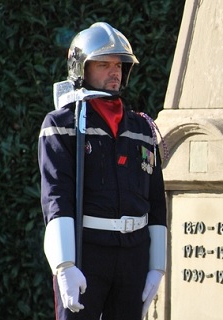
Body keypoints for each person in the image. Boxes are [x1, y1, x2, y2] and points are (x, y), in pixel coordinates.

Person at [39, 22, 167, 320]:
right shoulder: (62, 124)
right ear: (81, 69)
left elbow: (156, 202)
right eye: (103, 64)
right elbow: (56, 197)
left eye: (119, 65)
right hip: (87, 251)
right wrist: (64, 264)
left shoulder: (142, 128)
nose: (115, 72)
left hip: (133, 254)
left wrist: (156, 265)